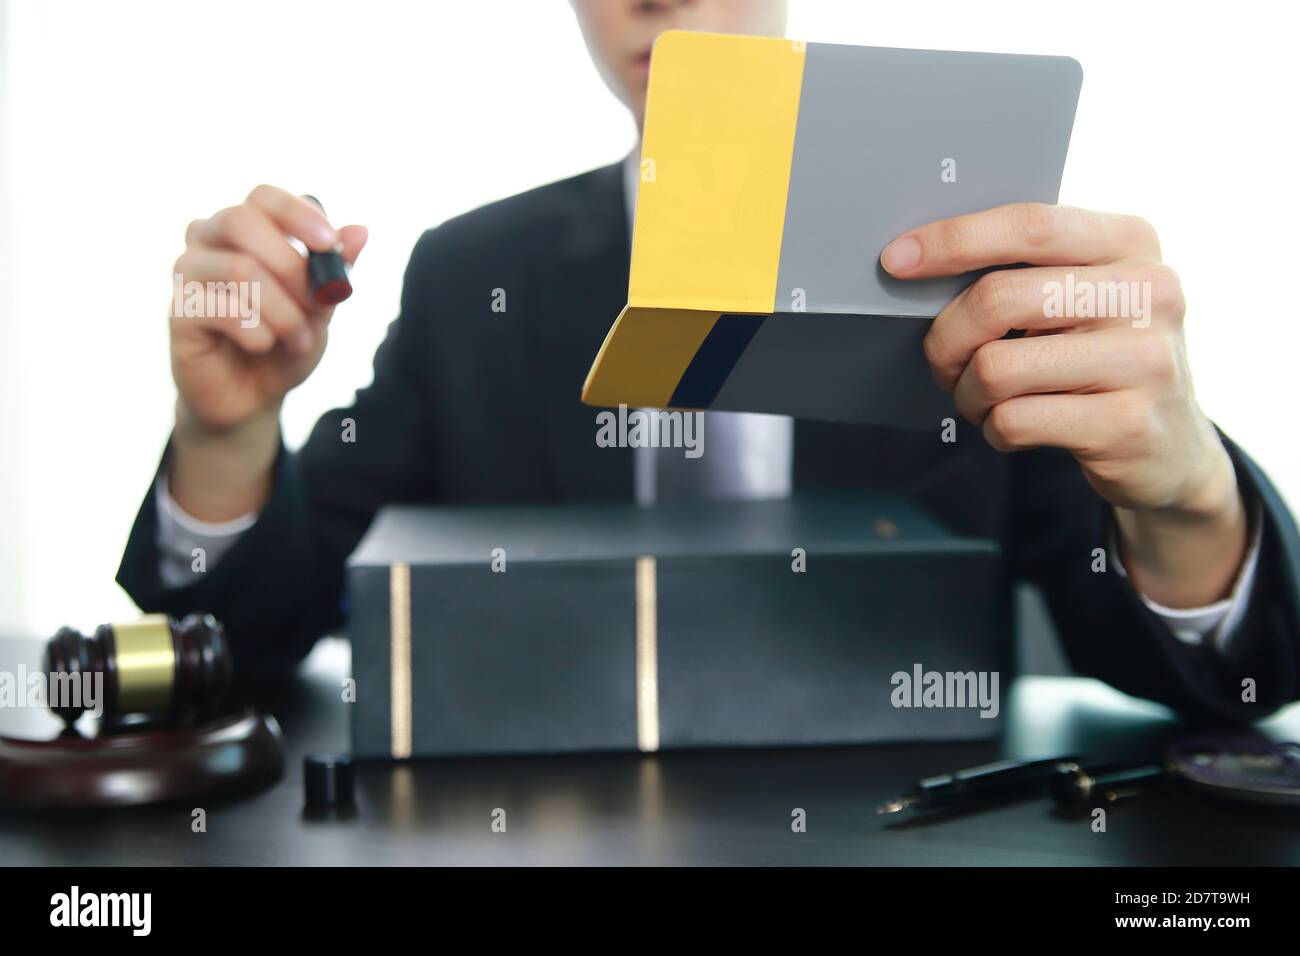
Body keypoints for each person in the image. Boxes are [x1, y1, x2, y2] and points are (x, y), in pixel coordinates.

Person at [118, 0, 1299, 720]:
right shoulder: (473, 276)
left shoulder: (971, 266)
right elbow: (242, 648)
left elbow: (1218, 688)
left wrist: (1188, 497)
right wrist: (228, 435)